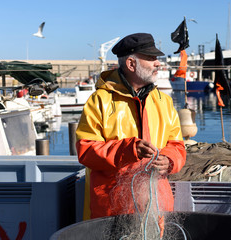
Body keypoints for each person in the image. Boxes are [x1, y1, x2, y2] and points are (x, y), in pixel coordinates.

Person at [75, 33, 186, 220]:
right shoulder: (100, 101)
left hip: (157, 206)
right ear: (131, 64)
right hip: (112, 209)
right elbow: (86, 150)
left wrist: (170, 161)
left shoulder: (164, 102)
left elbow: (177, 145)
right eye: (151, 58)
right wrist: (129, 149)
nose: (157, 63)